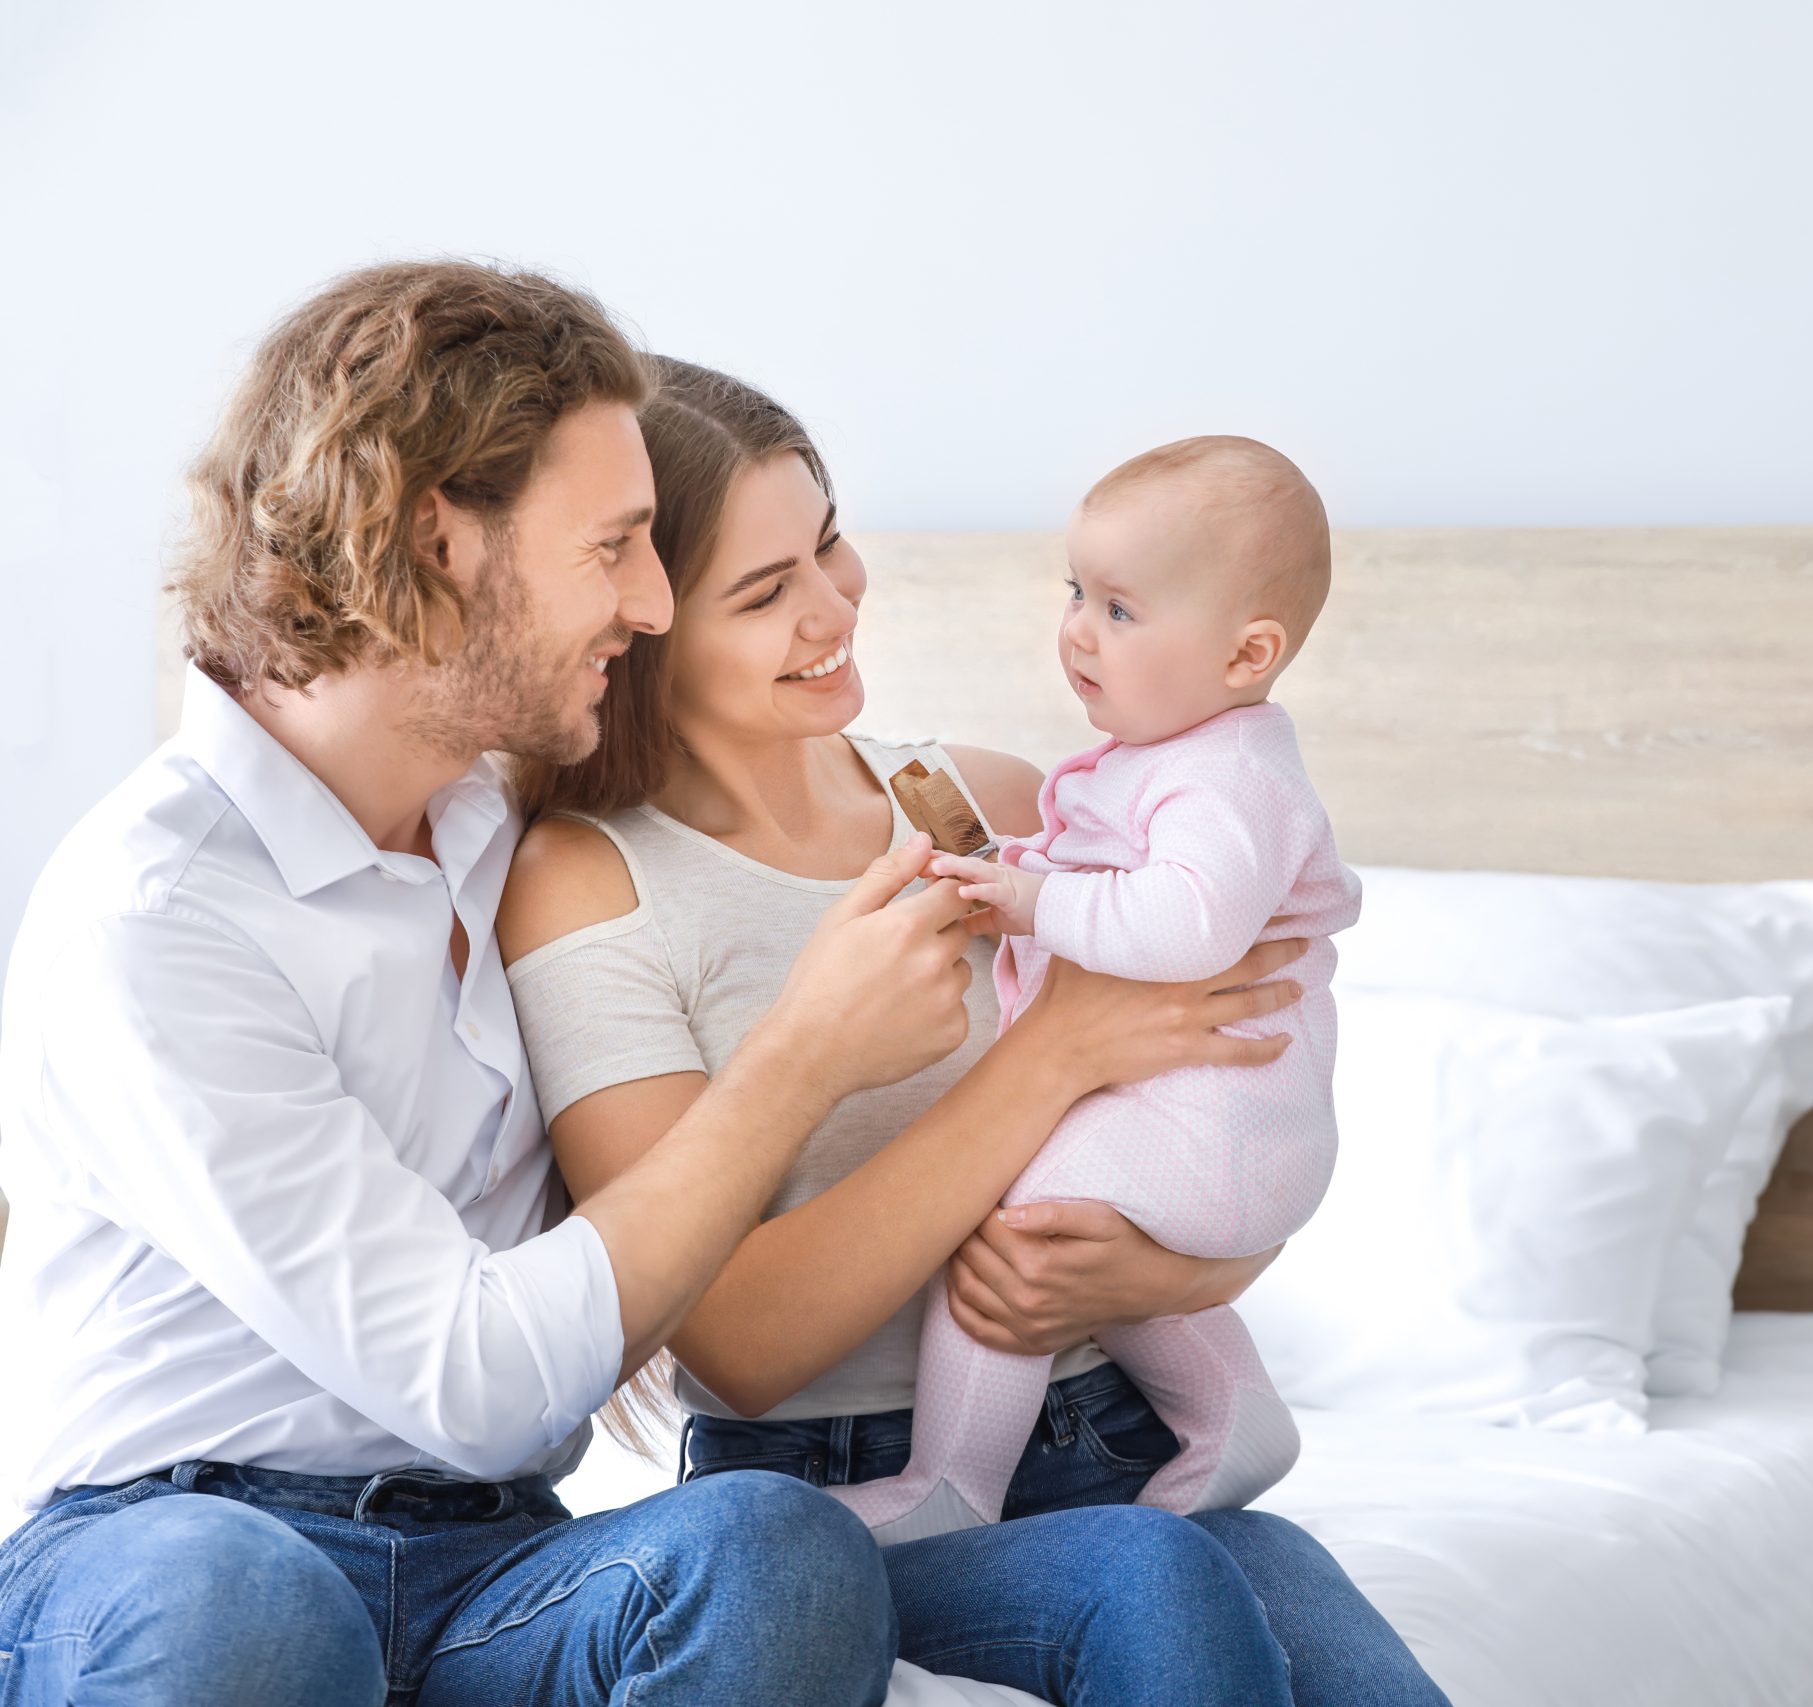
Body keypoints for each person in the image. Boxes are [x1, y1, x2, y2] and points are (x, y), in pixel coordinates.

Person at [0, 260, 1242, 1707]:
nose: (650, 604)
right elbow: (476, 1377)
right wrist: (804, 1054)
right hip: (172, 1535)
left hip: (496, 1566)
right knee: (252, 1603)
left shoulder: (495, 825)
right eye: (615, 548)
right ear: (440, 538)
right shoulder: (158, 909)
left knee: (772, 1549)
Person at [500, 360, 1450, 1706]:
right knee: (1149, 1585)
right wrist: (1051, 1052)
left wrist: (1155, 1277)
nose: (833, 605)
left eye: (827, 540)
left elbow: (1241, 1103)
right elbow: (741, 1340)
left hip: (1127, 1431)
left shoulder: (986, 805)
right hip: (845, 1486)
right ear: (644, 619)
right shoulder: (592, 882)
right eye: (767, 591)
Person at [843, 436, 1359, 1542]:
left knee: (1023, 1222)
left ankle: (952, 1484)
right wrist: (1022, 872)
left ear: (1245, 653)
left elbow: (1181, 924)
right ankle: (1230, 1411)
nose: (1077, 627)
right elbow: (1122, 881)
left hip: (1223, 1124)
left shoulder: (1230, 779)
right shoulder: (1173, 757)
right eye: (1075, 591)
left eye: (1120, 610)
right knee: (1069, 1225)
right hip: (1212, 1126)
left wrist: (1032, 904)